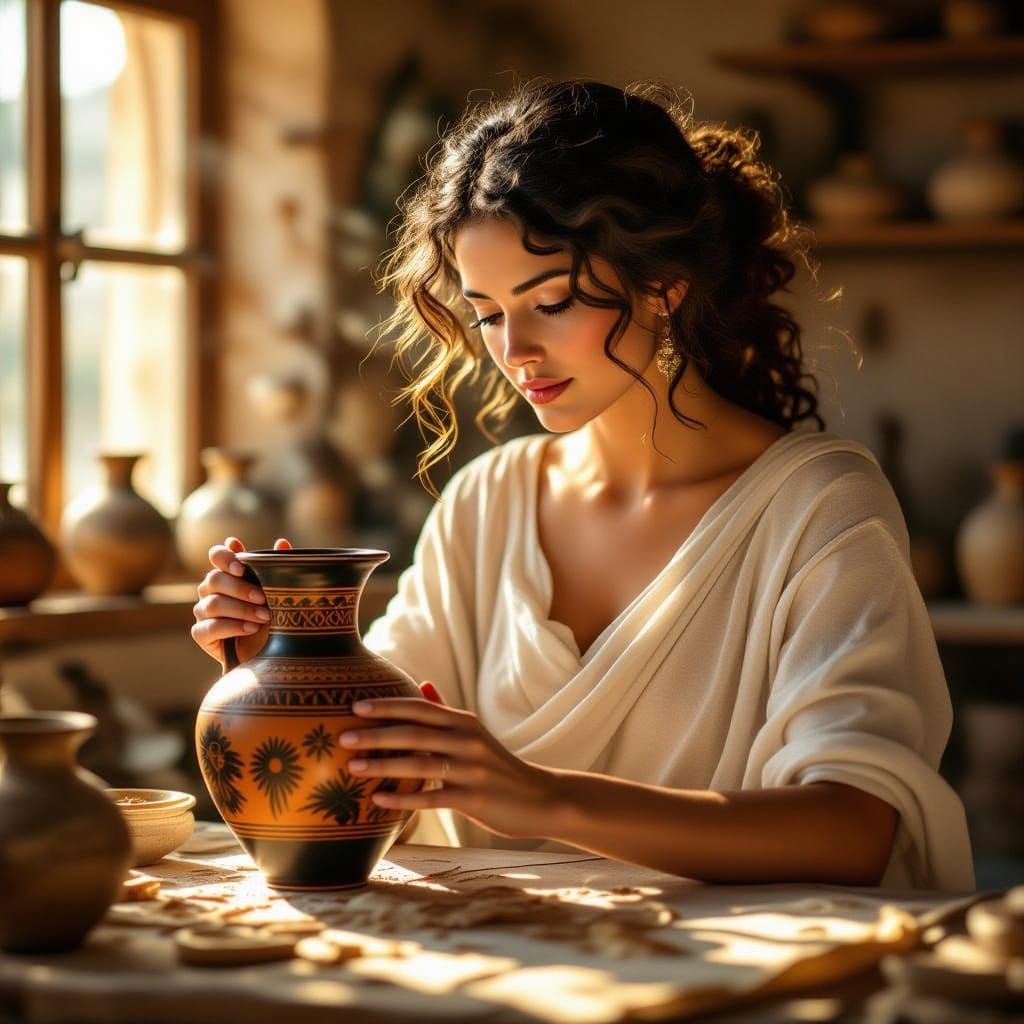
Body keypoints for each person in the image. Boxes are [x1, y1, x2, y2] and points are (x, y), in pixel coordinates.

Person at [191, 79, 974, 891]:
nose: (515, 350)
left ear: (662, 287)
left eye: (552, 301)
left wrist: (543, 799)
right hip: (508, 977)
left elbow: (853, 828)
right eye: (488, 312)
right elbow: (372, 769)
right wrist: (272, 663)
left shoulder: (817, 505)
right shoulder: (486, 503)